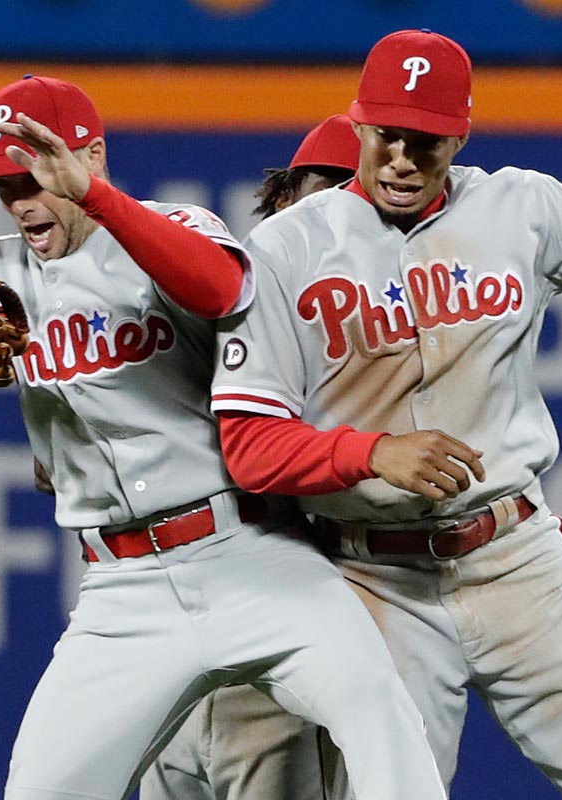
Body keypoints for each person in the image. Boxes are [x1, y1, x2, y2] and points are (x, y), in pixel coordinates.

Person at [0, 74, 447, 800]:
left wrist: (93, 198)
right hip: (124, 592)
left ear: (91, 155)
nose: (21, 199)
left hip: (251, 556)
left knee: (377, 707)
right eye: (5, 183)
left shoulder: (173, 227)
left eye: (36, 175)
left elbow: (222, 289)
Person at [209, 30, 562, 799]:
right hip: (373, 579)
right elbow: (248, 446)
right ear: (358, 123)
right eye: (385, 136)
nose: (401, 159)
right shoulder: (285, 250)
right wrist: (371, 453)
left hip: (517, 563)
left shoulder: (521, 206)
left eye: (425, 140)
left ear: (460, 137)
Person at [139, 112, 359, 800]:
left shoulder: (379, 347)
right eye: (324, 193)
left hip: (274, 669)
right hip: (164, 655)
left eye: (358, 200)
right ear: (284, 198)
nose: (339, 215)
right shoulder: (205, 306)